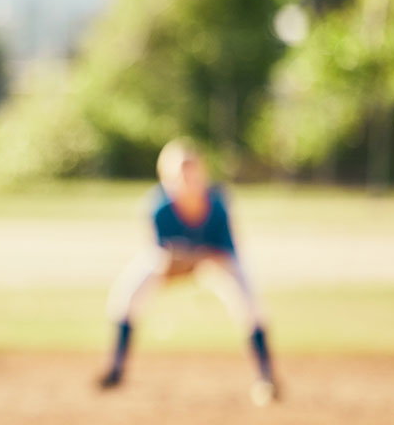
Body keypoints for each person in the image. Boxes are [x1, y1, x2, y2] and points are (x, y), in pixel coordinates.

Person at [98, 138, 279, 404]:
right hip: (173, 265)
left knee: (250, 302)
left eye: (191, 168)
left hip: (213, 262)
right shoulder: (158, 206)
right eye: (179, 170)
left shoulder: (216, 204)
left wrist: (192, 258)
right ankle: (116, 368)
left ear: (202, 172)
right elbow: (163, 259)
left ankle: (265, 376)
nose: (186, 176)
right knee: (126, 295)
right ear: (165, 175)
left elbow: (225, 255)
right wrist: (188, 258)